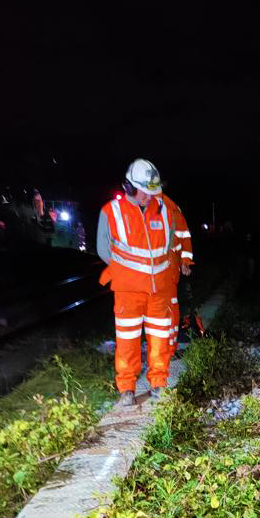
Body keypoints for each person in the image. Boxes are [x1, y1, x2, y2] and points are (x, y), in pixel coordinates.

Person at [96, 159, 175, 406]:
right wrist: (130, 272)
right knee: (127, 341)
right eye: (144, 191)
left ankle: (159, 383)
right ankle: (127, 389)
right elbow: (103, 249)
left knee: (160, 340)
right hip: (128, 292)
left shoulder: (164, 211)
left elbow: (169, 246)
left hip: (158, 290)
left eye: (152, 191)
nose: (148, 196)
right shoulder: (111, 212)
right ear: (129, 187)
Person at [160, 192, 193, 355]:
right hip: (154, 274)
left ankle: (169, 349)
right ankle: (165, 349)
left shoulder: (171, 208)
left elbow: (183, 237)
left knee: (170, 311)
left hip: (169, 272)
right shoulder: (140, 207)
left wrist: (184, 261)